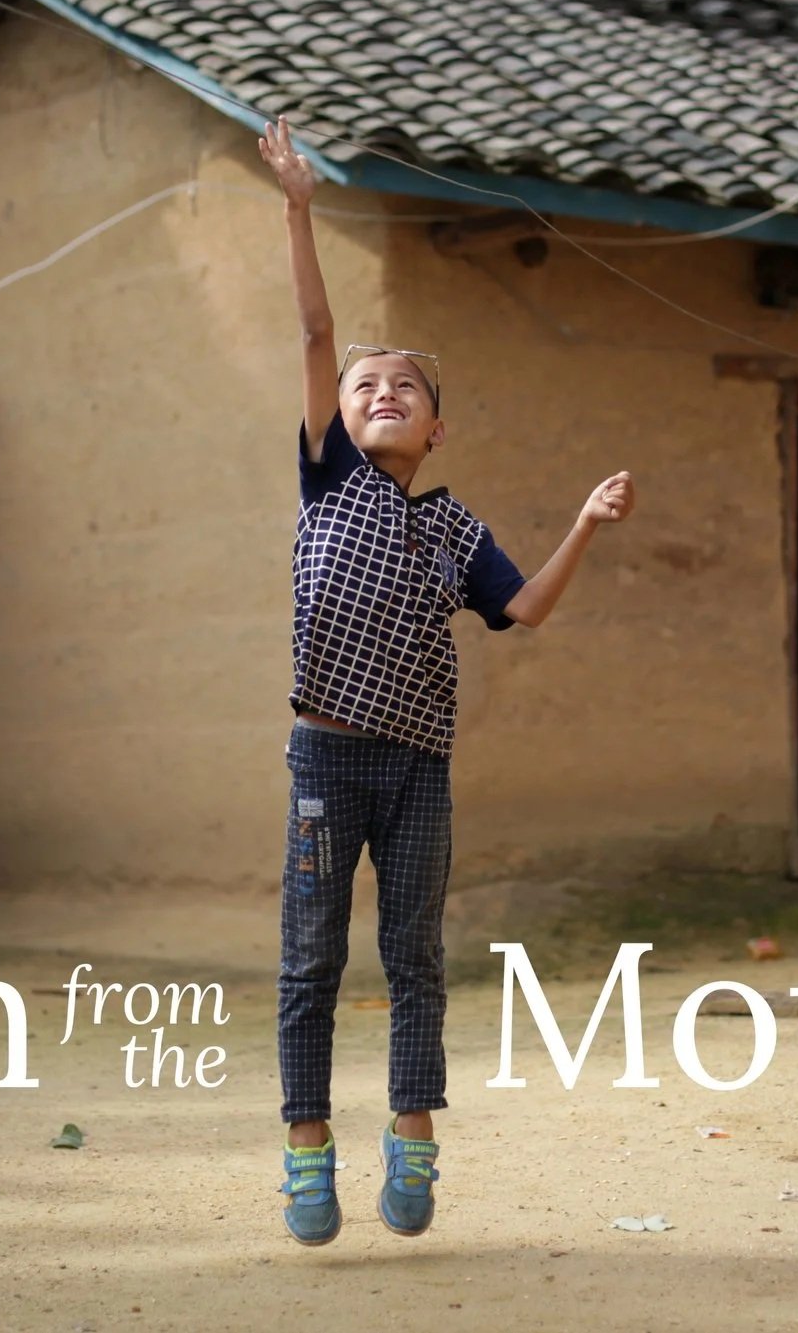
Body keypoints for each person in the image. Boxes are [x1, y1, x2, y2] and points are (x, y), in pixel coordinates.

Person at [258, 116, 634, 1245]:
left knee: (413, 957)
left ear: (436, 425)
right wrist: (298, 204)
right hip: (326, 756)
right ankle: (307, 1153)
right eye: (366, 384)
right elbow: (317, 325)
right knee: (308, 961)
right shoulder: (329, 481)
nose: (378, 391)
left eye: (403, 387)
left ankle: (412, 1146)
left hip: (419, 768)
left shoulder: (456, 532)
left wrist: (580, 523)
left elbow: (520, 610)